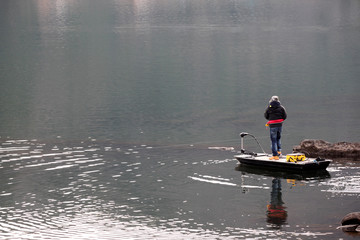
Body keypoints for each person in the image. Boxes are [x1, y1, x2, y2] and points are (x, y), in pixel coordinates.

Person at [264, 96, 287, 160]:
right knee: (278, 138)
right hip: (280, 125)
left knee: (273, 140)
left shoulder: (269, 108)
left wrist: (271, 119)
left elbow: (266, 116)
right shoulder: (281, 107)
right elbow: (284, 116)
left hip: (272, 126)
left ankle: (275, 155)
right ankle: (279, 152)